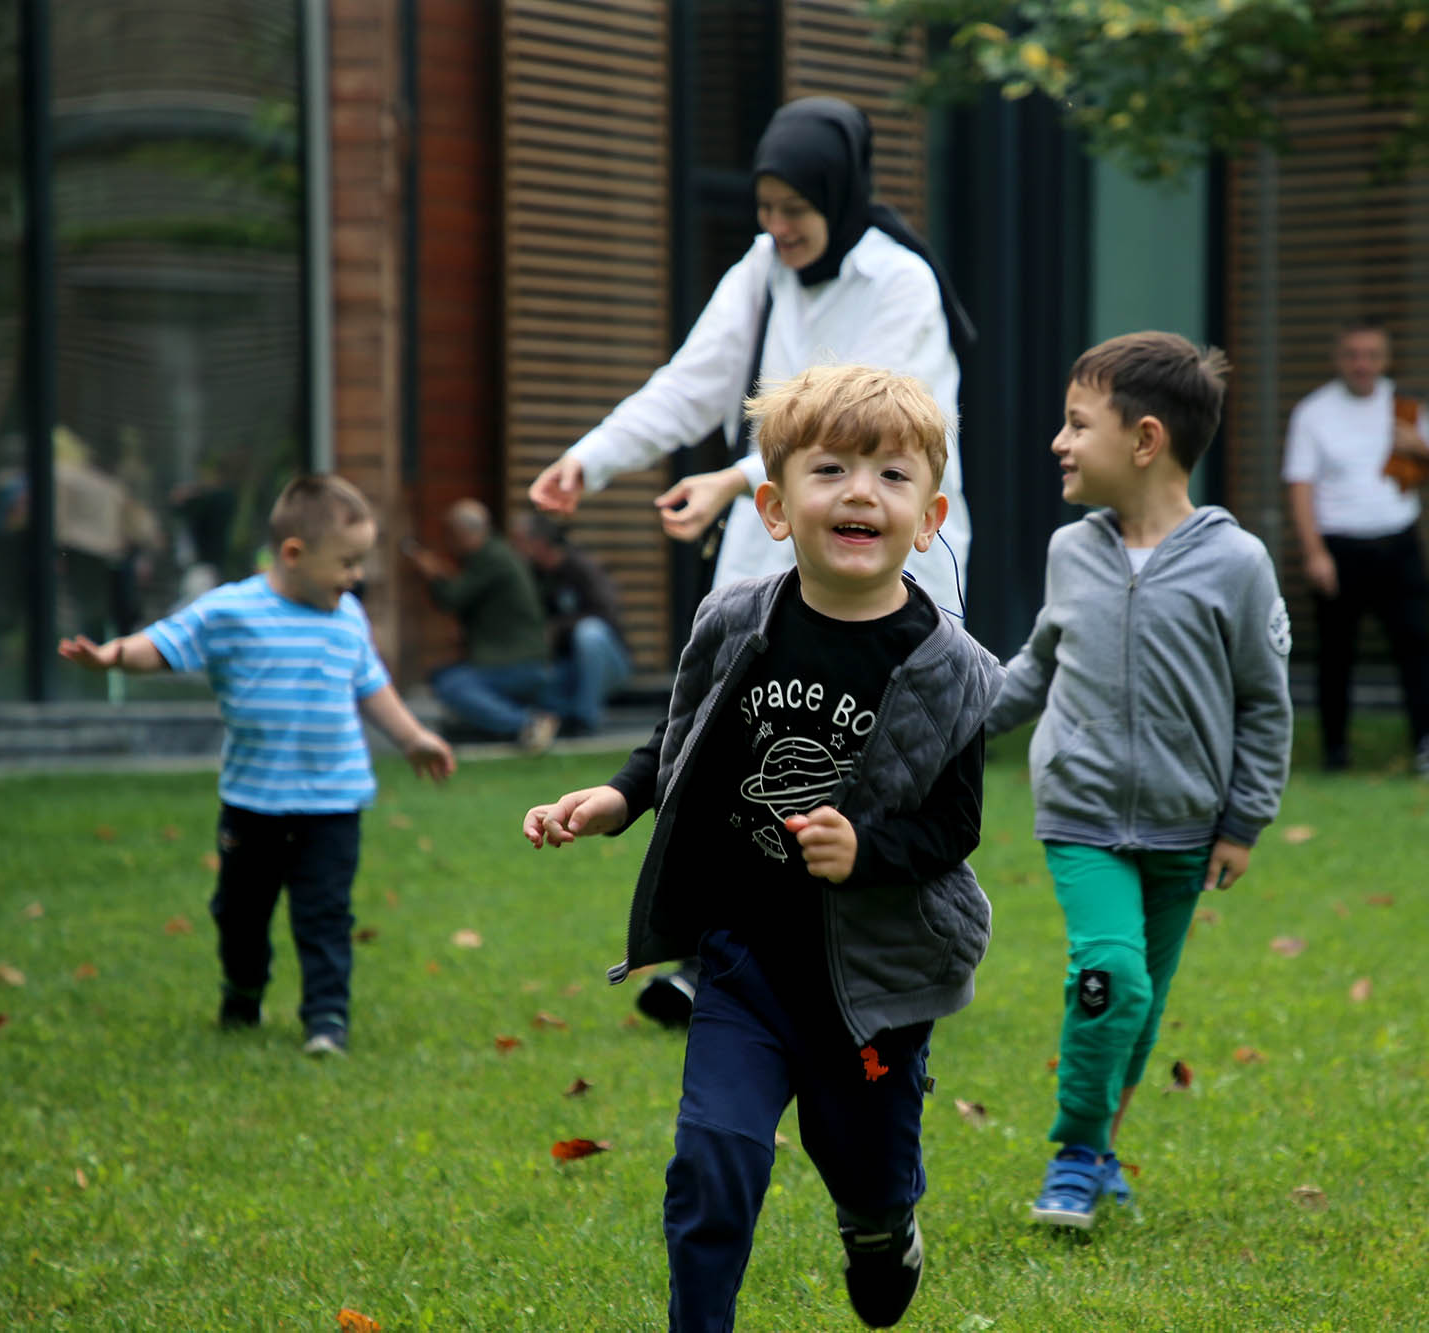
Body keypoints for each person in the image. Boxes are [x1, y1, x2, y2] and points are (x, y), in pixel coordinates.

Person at [522, 365, 1001, 1331]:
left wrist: (863, 844)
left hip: (872, 975)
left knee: (862, 1165)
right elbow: (681, 741)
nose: (861, 492)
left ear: (930, 513)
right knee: (714, 1157)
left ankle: (879, 1226)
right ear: (778, 508)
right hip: (744, 957)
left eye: (891, 476)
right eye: (831, 470)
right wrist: (616, 797)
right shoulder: (735, 619)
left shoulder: (955, 670)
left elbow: (956, 827)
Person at [987, 332, 1294, 1229]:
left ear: (1146, 440)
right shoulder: (1069, 552)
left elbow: (1264, 705)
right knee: (1111, 978)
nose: (1059, 441)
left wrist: (1244, 821)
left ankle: (1102, 1149)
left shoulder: (1236, 565)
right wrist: (941, 725)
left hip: (1184, 827)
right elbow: (1032, 673)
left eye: (1078, 424)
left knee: (1143, 1004)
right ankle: (1077, 1154)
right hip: (1080, 815)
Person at [527, 96, 977, 615]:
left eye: (795, 209)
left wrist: (731, 481)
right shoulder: (763, 267)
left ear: (837, 197)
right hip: (771, 557)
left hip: (885, 560)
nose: (777, 226)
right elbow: (690, 383)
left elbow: (863, 427)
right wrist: (590, 458)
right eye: (765, 208)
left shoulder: (901, 282)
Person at [58, 474, 455, 1055]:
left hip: (333, 802)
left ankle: (326, 1021)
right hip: (253, 803)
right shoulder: (232, 611)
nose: (356, 577)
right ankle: (243, 991)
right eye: (346, 563)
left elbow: (372, 688)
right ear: (293, 554)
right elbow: (166, 644)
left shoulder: (347, 619)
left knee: (325, 914)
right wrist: (112, 656)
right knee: (240, 915)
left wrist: (414, 736)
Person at [1283, 318, 1429, 779]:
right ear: (1339, 359)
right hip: (1340, 545)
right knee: (1337, 654)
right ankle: (1336, 752)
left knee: (1416, 644)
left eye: (1371, 355)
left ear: (1384, 359)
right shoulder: (1313, 412)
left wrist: (1418, 446)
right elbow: (1299, 485)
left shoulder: (1404, 406)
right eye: (1353, 355)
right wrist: (1314, 553)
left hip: (1399, 541)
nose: (1362, 365)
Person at [405, 499, 561, 753]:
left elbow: (452, 598)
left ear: (463, 533)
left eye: (450, 534)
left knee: (452, 685)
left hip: (519, 662)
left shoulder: (491, 558)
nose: (447, 541)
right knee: (443, 677)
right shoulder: (493, 554)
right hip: (515, 659)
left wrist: (433, 574)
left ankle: (527, 724)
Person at [507, 508, 631, 737]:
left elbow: (606, 616)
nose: (514, 548)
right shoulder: (530, 576)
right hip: (566, 666)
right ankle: (560, 718)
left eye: (519, 541)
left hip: (608, 662)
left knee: (589, 632)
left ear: (539, 543)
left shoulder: (582, 568)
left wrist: (558, 628)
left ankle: (585, 719)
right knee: (533, 678)